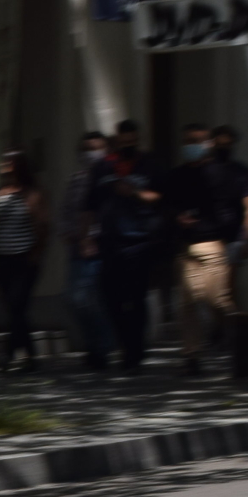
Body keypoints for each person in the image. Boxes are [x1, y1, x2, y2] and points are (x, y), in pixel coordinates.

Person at [160, 121, 248, 373]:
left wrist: (245, 239)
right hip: (186, 248)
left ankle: (241, 339)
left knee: (218, 301)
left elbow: (242, 208)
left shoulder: (226, 173)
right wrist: (177, 217)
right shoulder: (177, 176)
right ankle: (191, 355)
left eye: (197, 141)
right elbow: (166, 206)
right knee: (187, 303)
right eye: (187, 141)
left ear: (208, 144)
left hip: (214, 245)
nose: (191, 146)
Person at [96, 162, 168, 374]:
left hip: (137, 249)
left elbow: (158, 198)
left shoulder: (144, 172)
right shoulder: (104, 178)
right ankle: (126, 345)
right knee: (112, 302)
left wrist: (134, 191)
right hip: (110, 250)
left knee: (135, 302)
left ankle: (134, 351)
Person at [63, 131, 117, 370]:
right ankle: (94, 345)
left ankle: (102, 347)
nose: (91, 153)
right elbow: (66, 210)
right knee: (77, 299)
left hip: (101, 246)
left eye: (96, 148)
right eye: (86, 148)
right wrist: (68, 233)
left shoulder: (110, 177)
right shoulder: (76, 179)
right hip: (78, 246)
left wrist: (94, 237)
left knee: (95, 299)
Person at [0, 151, 48, 372]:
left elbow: (42, 225)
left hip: (24, 258)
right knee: (15, 309)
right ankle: (31, 356)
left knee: (17, 305)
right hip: (2, 259)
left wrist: (36, 253)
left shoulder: (31, 194)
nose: (4, 165)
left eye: (9, 162)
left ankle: (8, 353)